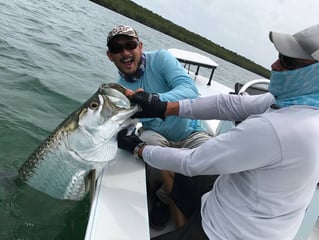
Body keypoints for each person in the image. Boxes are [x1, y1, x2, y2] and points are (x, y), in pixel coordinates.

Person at [117, 24, 319, 239]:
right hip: (247, 211)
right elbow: (231, 105)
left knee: (176, 164)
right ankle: (178, 219)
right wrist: (165, 107)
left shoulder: (277, 128)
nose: (274, 64)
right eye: (279, 56)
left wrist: (139, 148)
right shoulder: (299, 102)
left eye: (287, 62)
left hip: (227, 232)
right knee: (172, 170)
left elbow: (192, 162)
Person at [106, 25, 212, 229]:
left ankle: (163, 196)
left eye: (130, 45)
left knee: (213, 160)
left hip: (191, 132)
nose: (125, 52)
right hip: (156, 135)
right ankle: (167, 205)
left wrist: (154, 100)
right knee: (150, 145)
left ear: (140, 46)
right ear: (110, 56)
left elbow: (190, 90)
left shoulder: (162, 59)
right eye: (117, 48)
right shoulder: (119, 90)